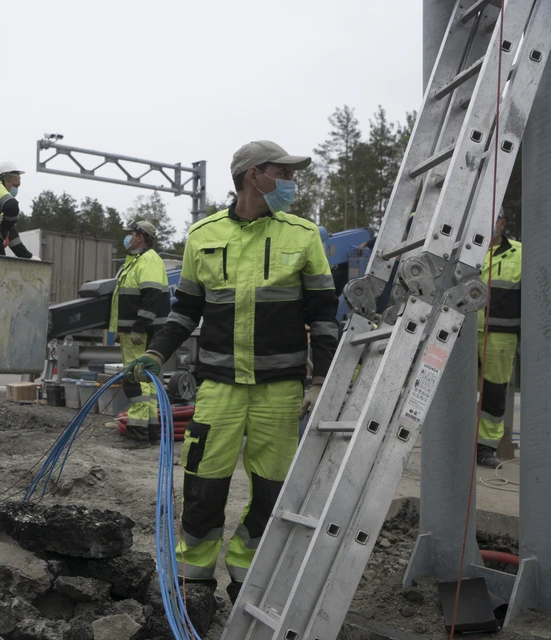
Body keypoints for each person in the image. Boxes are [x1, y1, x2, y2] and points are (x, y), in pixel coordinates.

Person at [123, 140, 339, 602]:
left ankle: (249, 572)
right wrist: (158, 353)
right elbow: (186, 311)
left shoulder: (304, 236)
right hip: (218, 387)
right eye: (282, 173)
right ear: (252, 176)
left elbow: (323, 314)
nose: (290, 183)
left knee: (273, 491)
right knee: (203, 485)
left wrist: (321, 379)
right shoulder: (203, 235)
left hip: (279, 391)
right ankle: (193, 577)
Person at [109, 220, 171, 447]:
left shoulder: (148, 261)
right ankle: (150, 432)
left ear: (141, 237)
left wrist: (138, 327)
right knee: (146, 381)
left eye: (132, 234)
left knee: (137, 379)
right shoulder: (136, 261)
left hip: (140, 333)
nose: (128, 237)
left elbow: (152, 296)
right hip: (134, 331)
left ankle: (138, 435)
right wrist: (121, 329)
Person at [476, 209, 521, 468]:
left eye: (491, 219)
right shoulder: (469, 252)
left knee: (493, 393)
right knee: (451, 389)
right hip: (464, 334)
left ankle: (485, 448)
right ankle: (453, 440)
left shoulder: (520, 253)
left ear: (502, 223)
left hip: (501, 338)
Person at [0, 161, 33, 259]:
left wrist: (27, 256)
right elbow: (12, 236)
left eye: (17, 187)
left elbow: (12, 237)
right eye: (14, 185)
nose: (15, 189)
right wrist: (29, 257)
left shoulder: (5, 206)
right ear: (2, 181)